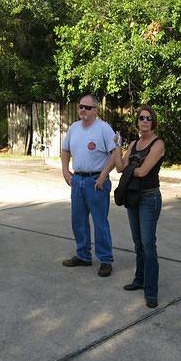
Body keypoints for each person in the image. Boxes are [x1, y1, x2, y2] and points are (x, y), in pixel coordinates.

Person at [112, 106, 165, 308]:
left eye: (148, 118)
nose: (144, 121)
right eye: (141, 118)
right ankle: (139, 279)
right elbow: (119, 167)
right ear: (137, 121)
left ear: (153, 122)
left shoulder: (158, 144)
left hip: (149, 198)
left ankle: (151, 291)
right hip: (133, 196)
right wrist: (117, 147)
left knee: (148, 243)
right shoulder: (134, 144)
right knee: (137, 241)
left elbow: (142, 172)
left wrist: (128, 170)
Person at [61, 95, 117, 277]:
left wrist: (103, 175)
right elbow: (65, 150)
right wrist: (65, 170)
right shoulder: (74, 128)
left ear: (96, 110)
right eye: (80, 107)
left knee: (100, 222)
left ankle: (106, 260)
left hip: (96, 182)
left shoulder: (104, 129)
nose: (83, 110)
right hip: (77, 180)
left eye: (87, 107)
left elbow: (115, 153)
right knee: (78, 220)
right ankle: (83, 255)